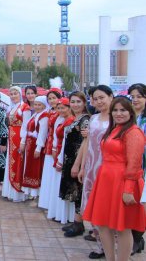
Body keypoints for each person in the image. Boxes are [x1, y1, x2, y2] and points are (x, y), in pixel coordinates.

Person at [83, 97, 146, 261]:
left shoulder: (133, 132)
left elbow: (134, 164)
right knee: (103, 224)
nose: (119, 114)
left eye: (123, 110)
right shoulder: (114, 129)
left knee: (123, 227)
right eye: (115, 110)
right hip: (106, 181)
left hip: (123, 182)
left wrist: (128, 190)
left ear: (130, 112)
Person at [77, 85, 113, 259]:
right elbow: (88, 144)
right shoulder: (94, 119)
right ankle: (101, 247)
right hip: (92, 169)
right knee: (94, 209)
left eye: (102, 98)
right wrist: (83, 167)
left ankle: (115, 249)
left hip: (109, 170)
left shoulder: (118, 118)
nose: (98, 101)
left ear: (111, 97)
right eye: (95, 99)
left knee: (108, 209)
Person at [58, 92, 90, 237]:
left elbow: (85, 143)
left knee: (79, 191)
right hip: (70, 158)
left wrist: (78, 164)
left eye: (78, 102)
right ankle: (77, 222)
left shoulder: (85, 120)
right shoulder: (76, 118)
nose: (75, 104)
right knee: (74, 190)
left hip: (78, 159)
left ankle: (79, 224)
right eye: (73, 102)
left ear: (84, 103)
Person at [47, 97, 75, 224]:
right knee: (57, 183)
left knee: (62, 183)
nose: (61, 110)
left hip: (64, 154)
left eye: (64, 107)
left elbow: (66, 141)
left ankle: (65, 215)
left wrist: (59, 159)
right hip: (58, 152)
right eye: (59, 108)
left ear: (69, 108)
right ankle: (59, 213)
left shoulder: (70, 121)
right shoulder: (61, 119)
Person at [2, 86, 30, 202]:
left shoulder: (25, 107)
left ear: (20, 94)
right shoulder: (11, 108)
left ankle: (18, 192)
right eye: (11, 94)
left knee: (18, 162)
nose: (13, 96)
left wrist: (23, 141)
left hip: (19, 138)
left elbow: (26, 125)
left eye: (15, 94)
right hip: (11, 138)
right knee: (11, 163)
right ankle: (10, 191)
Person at [128, 83, 146, 255]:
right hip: (130, 166)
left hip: (143, 166)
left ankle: (138, 238)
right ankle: (135, 238)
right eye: (132, 97)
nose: (135, 100)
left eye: (139, 96)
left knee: (141, 204)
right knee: (132, 203)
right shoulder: (129, 117)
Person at [38, 88, 62, 210]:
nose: (52, 101)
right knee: (48, 174)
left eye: (54, 98)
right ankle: (48, 202)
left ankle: (55, 204)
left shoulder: (62, 112)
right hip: (49, 144)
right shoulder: (49, 112)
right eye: (50, 99)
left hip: (58, 146)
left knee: (56, 174)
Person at [21, 95, 49, 198]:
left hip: (36, 145)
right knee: (29, 166)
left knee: (35, 168)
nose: (37, 106)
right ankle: (30, 191)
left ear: (43, 105)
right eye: (36, 104)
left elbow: (42, 133)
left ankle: (35, 192)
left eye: (39, 105)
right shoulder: (36, 115)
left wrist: (38, 148)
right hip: (30, 144)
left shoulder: (44, 116)